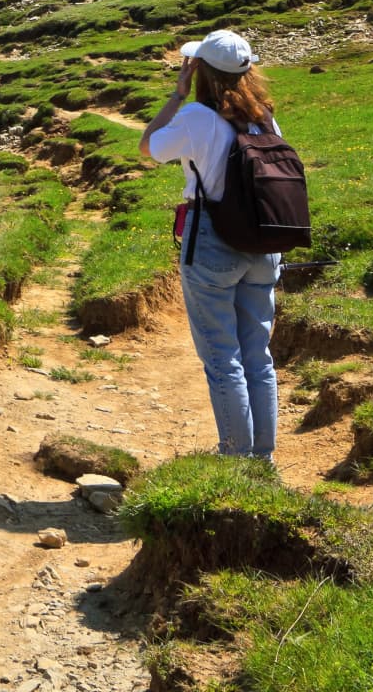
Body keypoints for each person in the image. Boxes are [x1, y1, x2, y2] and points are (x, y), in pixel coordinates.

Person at [138, 29, 282, 462]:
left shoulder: (198, 117)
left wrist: (177, 94)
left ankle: (235, 459)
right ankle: (262, 461)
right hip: (264, 242)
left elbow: (148, 146)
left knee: (222, 357)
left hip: (214, 240)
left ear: (201, 69)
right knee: (258, 356)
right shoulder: (265, 118)